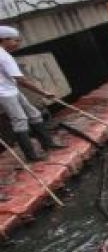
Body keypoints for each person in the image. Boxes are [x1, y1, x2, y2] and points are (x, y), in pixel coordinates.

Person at [0, 26, 65, 163]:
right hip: (5, 94)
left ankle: (48, 143)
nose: (18, 44)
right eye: (15, 40)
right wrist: (43, 92)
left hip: (11, 89)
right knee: (20, 121)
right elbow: (21, 79)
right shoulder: (4, 57)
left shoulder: (3, 53)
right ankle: (31, 156)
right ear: (4, 40)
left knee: (34, 114)